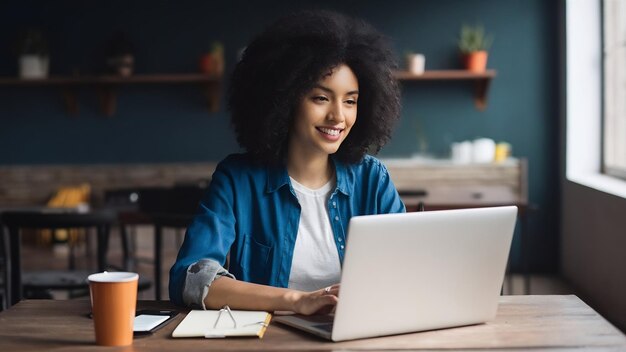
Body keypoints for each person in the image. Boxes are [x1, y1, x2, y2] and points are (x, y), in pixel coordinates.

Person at [169, 10, 405, 315]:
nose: (338, 116)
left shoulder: (373, 179)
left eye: (350, 101)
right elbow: (189, 279)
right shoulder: (238, 179)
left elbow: (408, 267)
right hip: (271, 340)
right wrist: (297, 300)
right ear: (284, 99)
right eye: (321, 98)